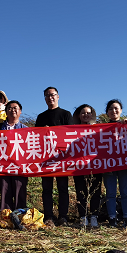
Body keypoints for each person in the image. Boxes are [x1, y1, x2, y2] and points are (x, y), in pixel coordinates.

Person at [35, 87, 73, 227]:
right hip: (46, 159)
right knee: (47, 189)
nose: (50, 98)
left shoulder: (66, 114)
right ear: (44, 99)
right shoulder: (41, 117)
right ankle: (49, 216)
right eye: (47, 96)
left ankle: (63, 216)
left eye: (53, 95)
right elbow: (34, 138)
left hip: (61, 158)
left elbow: (71, 135)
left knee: (63, 188)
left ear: (58, 96)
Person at [102, 99, 127, 229]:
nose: (113, 111)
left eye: (116, 108)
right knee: (110, 192)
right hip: (108, 164)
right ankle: (112, 218)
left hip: (125, 163)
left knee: (125, 191)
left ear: (120, 110)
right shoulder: (101, 128)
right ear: (107, 112)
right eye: (110, 109)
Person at [0, 100, 28, 211]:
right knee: (5, 192)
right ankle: (6, 218)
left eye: (15, 108)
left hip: (20, 166)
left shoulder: (26, 129)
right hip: (3, 165)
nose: (13, 110)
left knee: (20, 192)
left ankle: (20, 217)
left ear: (20, 112)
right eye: (10, 108)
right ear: (5, 111)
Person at [72, 104, 102, 228]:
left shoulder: (98, 129)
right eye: (83, 113)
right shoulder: (72, 130)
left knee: (96, 190)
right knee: (80, 191)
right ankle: (83, 216)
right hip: (78, 165)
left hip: (95, 164)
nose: (86, 115)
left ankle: (94, 216)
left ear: (92, 115)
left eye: (88, 113)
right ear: (79, 115)